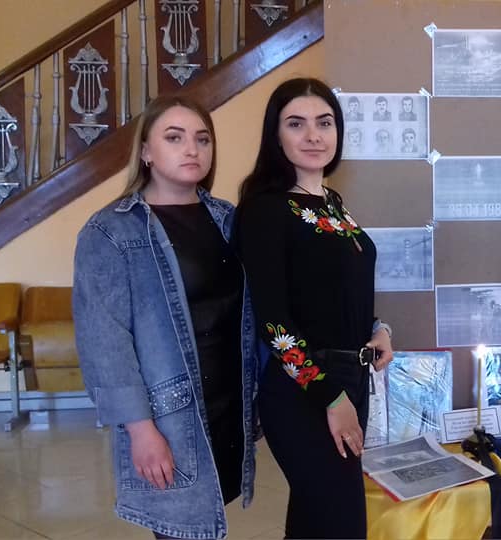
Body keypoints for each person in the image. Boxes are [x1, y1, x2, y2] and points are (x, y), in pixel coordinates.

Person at [73, 96, 258, 539]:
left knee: (209, 519)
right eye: (174, 138)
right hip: (168, 415)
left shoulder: (228, 220)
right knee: (181, 527)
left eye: (202, 139)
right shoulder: (111, 231)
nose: (192, 149)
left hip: (228, 406)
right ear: (146, 152)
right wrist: (140, 430)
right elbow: (105, 341)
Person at [234, 77, 394, 539]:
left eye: (324, 123)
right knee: (341, 525)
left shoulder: (331, 203)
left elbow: (336, 293)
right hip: (304, 390)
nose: (313, 136)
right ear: (275, 134)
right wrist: (330, 397)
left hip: (350, 379)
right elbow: (274, 323)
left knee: (313, 522)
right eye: (296, 124)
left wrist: (379, 328)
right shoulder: (264, 210)